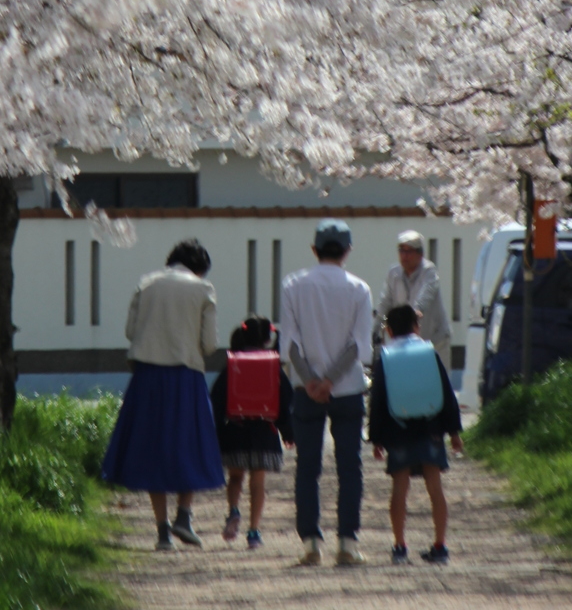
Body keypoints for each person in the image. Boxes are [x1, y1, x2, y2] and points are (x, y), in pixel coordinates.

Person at [101, 239, 223, 551]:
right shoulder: (203, 288)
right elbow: (209, 344)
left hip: (148, 376)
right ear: (200, 267)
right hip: (186, 375)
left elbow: (131, 330)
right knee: (189, 444)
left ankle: (162, 532)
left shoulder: (146, 284)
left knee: (153, 448)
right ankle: (184, 514)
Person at [277, 219, 373, 567]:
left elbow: (289, 343)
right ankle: (347, 542)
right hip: (346, 389)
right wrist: (331, 381)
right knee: (350, 467)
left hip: (306, 389)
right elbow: (359, 346)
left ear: (315, 250)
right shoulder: (359, 288)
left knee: (308, 467)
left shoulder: (293, 284)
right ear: (347, 251)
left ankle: (310, 543)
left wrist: (312, 381)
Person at [369, 304, 463, 564]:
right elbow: (445, 391)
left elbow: (377, 401)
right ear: (416, 327)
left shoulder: (387, 357)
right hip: (430, 426)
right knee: (435, 487)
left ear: (388, 330)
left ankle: (400, 546)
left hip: (398, 430)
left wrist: (376, 438)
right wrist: (454, 431)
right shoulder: (428, 352)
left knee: (400, 488)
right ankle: (440, 545)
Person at [209, 317, 295, 550]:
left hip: (235, 432)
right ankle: (254, 531)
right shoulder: (272, 365)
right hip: (264, 433)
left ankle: (234, 510)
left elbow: (216, 399)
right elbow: (285, 399)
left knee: (235, 477)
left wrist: (215, 434)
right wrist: (288, 432)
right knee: (258, 482)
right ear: (268, 339)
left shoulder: (232, 364)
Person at [373, 229, 452, 368]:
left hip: (435, 342)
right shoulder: (394, 273)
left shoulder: (429, 271)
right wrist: (375, 328)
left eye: (409, 251)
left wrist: (416, 311)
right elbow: (385, 302)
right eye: (401, 251)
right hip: (406, 345)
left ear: (420, 254)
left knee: (437, 385)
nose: (404, 256)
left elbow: (427, 293)